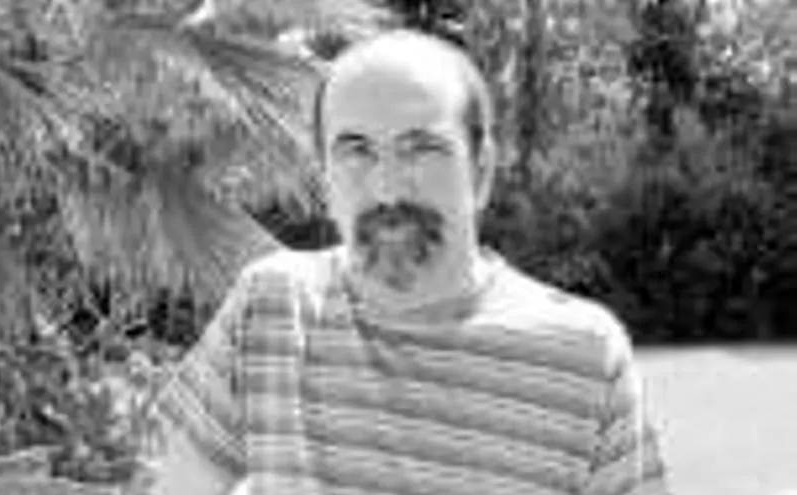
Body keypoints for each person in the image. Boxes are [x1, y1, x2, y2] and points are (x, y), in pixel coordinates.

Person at [143, 29, 672, 495]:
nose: (387, 188)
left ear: (481, 171)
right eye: (356, 151)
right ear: (326, 178)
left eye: (421, 148)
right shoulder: (271, 309)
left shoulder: (582, 355)